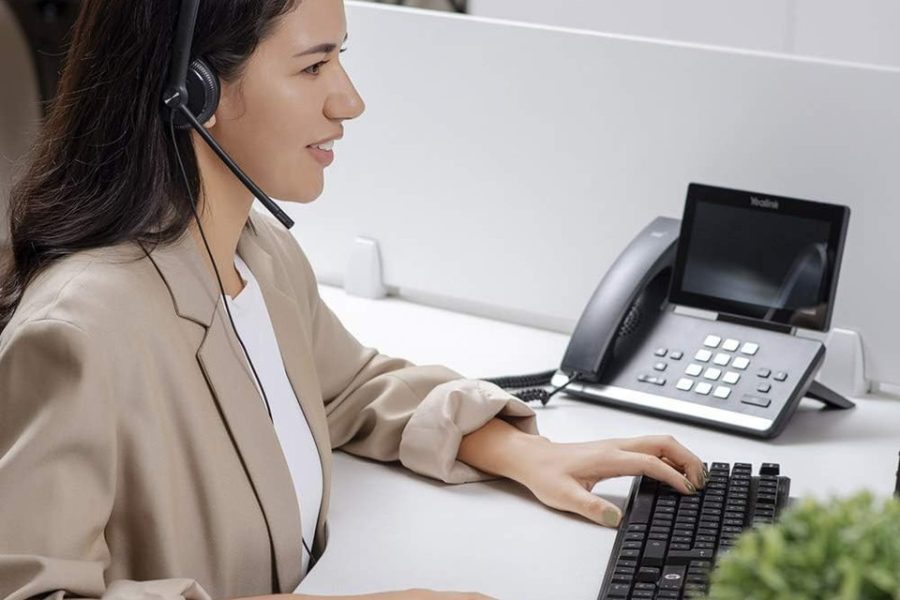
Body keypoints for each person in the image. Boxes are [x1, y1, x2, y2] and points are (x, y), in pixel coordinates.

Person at [0, 1, 709, 599]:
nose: (349, 100)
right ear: (197, 92)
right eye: (312, 67)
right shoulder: (82, 330)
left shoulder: (257, 254)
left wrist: (526, 455)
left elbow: (349, 386)